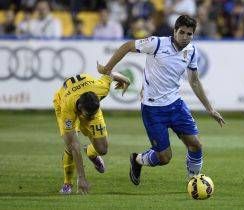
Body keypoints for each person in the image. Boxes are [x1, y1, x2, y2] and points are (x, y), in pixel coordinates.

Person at [98, 15, 225, 186]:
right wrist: (107, 69)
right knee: (164, 158)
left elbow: (194, 81)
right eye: (182, 32)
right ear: (175, 31)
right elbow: (128, 46)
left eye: (189, 34)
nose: (185, 37)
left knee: (196, 145)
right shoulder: (157, 44)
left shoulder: (191, 51)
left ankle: (194, 181)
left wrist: (210, 109)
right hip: (153, 109)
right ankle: (137, 160)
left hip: (176, 105)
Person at [53, 63, 130, 194]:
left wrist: (126, 80)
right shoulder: (67, 108)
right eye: (89, 115)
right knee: (70, 147)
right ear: (80, 108)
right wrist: (82, 178)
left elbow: (109, 74)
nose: (91, 118)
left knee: (102, 149)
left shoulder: (101, 89)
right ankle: (67, 183)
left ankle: (90, 152)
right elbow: (74, 144)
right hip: (62, 102)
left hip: (87, 101)